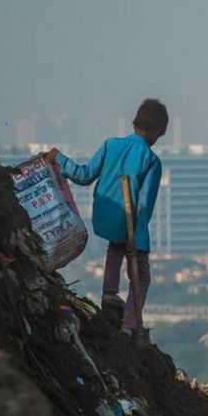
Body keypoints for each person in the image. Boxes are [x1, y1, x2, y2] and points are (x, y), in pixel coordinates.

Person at [47, 98, 167, 333]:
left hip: (107, 217)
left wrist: (59, 158)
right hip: (130, 225)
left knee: (115, 248)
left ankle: (109, 294)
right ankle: (130, 324)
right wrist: (138, 241)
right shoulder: (151, 160)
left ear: (134, 123)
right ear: (158, 133)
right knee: (141, 277)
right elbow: (144, 206)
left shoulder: (111, 145)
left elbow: (84, 175)